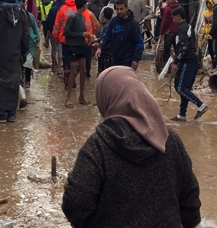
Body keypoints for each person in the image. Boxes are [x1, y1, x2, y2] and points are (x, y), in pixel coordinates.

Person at [61, 66, 201, 228]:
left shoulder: (98, 146)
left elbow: (75, 204)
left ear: (105, 98)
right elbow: (190, 200)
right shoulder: (169, 139)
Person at [169, 7, 209, 122]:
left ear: (178, 17)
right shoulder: (189, 27)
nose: (173, 20)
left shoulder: (182, 28)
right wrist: (176, 54)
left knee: (180, 87)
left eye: (173, 18)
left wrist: (176, 62)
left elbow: (185, 47)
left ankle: (200, 104)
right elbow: (185, 45)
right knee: (184, 88)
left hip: (187, 61)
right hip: (192, 61)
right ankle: (182, 114)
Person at [96, 0, 143, 73]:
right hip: (115, 58)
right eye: (117, 9)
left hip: (128, 60)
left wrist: (136, 59)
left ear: (127, 8)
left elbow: (139, 43)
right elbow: (107, 36)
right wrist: (100, 47)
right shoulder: (113, 21)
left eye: (121, 9)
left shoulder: (133, 24)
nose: (119, 11)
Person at [63, 0, 93, 108]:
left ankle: (81, 96)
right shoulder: (73, 16)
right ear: (84, 5)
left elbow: (81, 31)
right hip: (72, 47)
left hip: (81, 46)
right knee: (73, 72)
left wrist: (87, 37)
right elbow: (66, 32)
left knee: (83, 71)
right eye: (86, 4)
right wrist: (81, 34)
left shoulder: (82, 17)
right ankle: (68, 99)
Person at [54, 0, 79, 86]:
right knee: (76, 60)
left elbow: (57, 25)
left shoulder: (62, 9)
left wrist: (56, 38)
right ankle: (73, 79)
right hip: (76, 40)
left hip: (64, 40)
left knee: (66, 61)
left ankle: (67, 81)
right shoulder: (79, 8)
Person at [159, 0, 180, 69]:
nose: (166, 1)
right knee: (178, 50)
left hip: (169, 33)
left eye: (167, 0)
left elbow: (164, 22)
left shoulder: (168, 9)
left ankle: (166, 67)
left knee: (166, 51)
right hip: (178, 32)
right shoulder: (180, 8)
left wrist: (161, 33)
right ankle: (178, 65)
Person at [23, 8, 40, 89]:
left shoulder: (30, 16)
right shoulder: (16, 16)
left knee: (28, 64)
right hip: (20, 44)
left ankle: (27, 81)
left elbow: (35, 28)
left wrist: (38, 38)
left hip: (31, 43)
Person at [96, 7, 115, 73]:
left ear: (103, 15)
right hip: (108, 53)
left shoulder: (106, 26)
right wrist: (98, 40)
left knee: (102, 72)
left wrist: (99, 45)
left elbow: (108, 41)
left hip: (105, 53)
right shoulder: (108, 25)